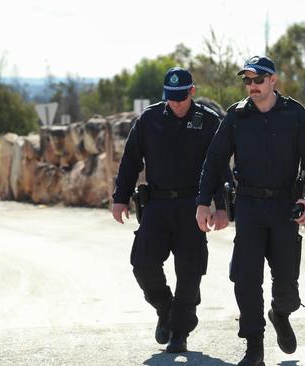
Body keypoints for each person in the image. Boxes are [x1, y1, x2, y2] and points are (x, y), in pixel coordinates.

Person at [195, 55, 305, 366]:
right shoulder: (236, 116)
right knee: (245, 279)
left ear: (273, 80)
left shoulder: (294, 114)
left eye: (258, 80)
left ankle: (281, 313)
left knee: (287, 286)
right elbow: (214, 161)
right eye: (247, 80)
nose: (252, 86)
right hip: (250, 207)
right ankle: (254, 347)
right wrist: (203, 201)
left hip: (284, 208)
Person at [111, 67, 228, 353]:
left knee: (190, 272)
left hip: (193, 205)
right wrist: (120, 197)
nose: (175, 103)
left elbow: (220, 168)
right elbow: (130, 161)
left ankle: (180, 332)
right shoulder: (149, 119)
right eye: (170, 98)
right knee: (143, 264)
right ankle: (166, 308)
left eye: (180, 97)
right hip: (158, 205)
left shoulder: (209, 122)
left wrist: (222, 207)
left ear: (192, 92)